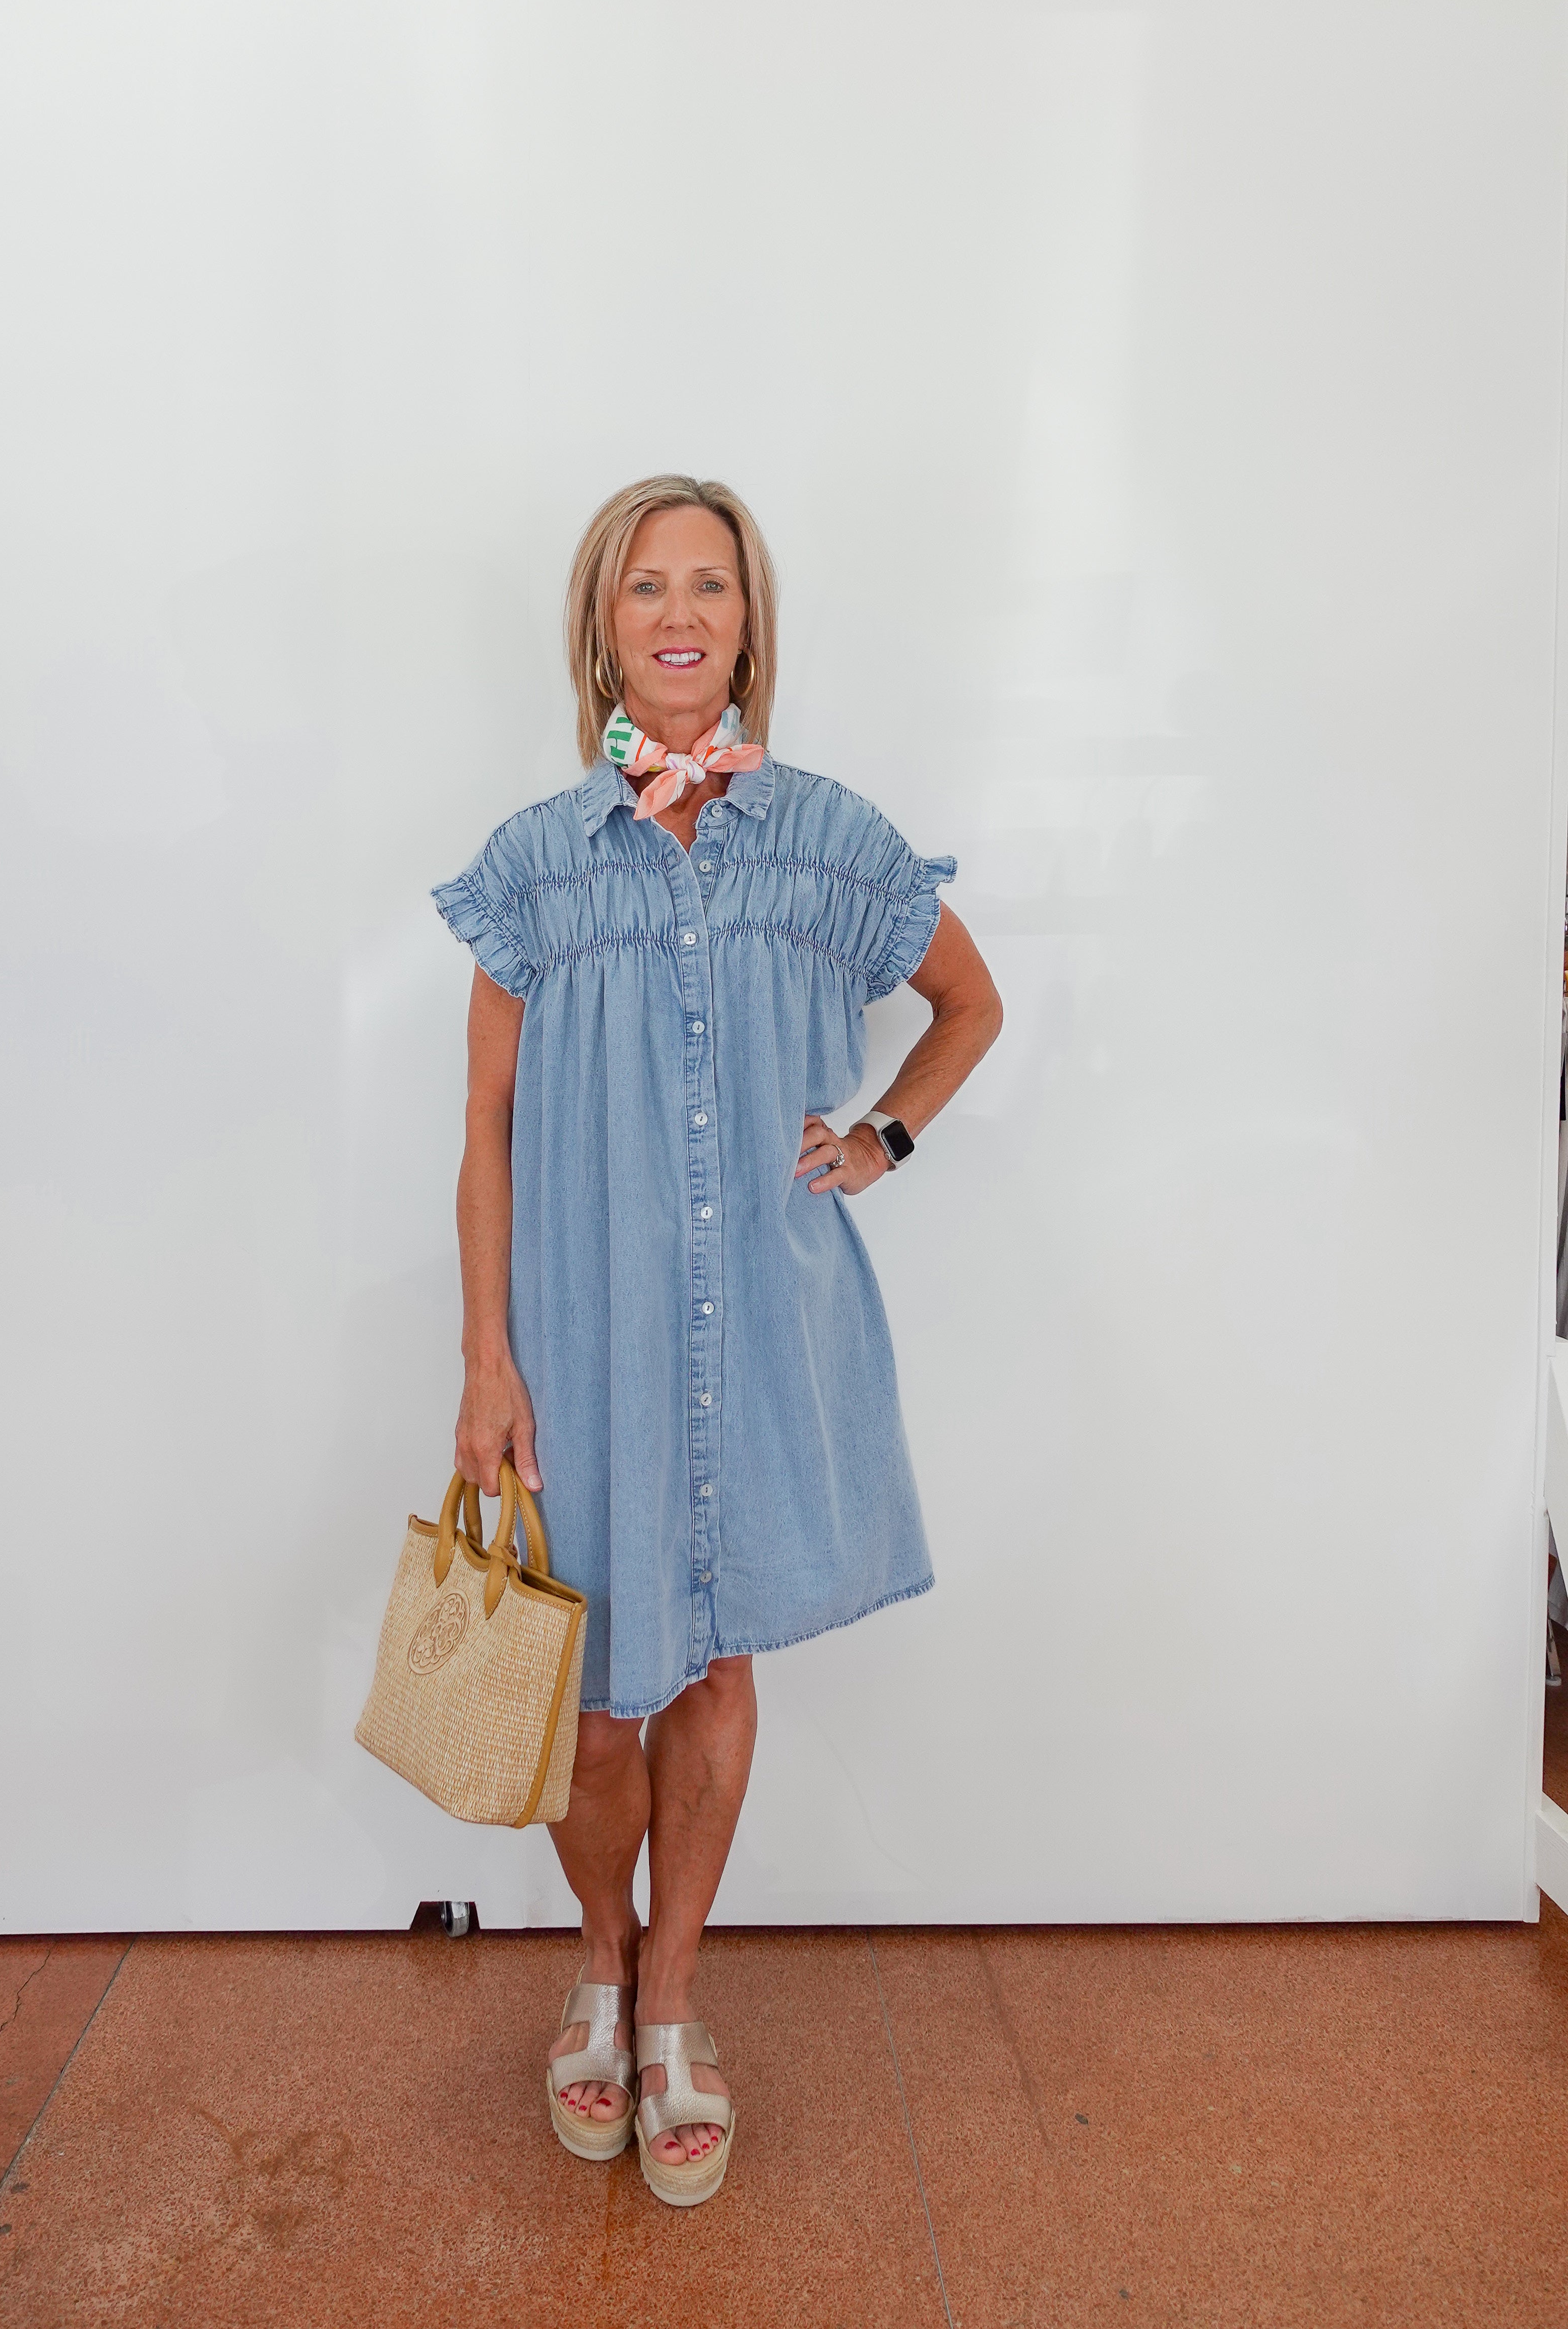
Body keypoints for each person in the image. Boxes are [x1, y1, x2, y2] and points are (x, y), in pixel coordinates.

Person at [432, 475, 1002, 2208]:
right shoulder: (538, 866)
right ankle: (599, 1962)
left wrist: (883, 1135)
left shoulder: (830, 844)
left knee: (716, 1674)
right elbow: (486, 1129)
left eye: (711, 584)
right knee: (593, 1705)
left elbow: (969, 1002)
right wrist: (486, 1358)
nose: (679, 614)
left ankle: (670, 1997)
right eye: (645, 587)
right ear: (601, 629)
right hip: (582, 1331)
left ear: (749, 625)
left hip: (759, 1319)